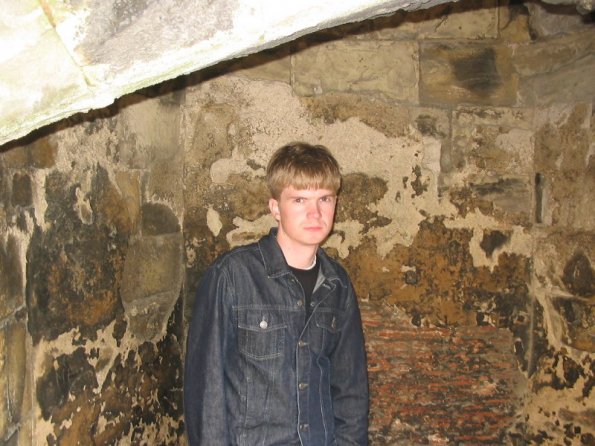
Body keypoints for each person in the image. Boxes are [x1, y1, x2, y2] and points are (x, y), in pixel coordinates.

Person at [184, 142, 369, 445]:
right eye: (299, 199)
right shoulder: (232, 276)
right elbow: (207, 394)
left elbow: (350, 391)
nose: (315, 213)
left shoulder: (337, 284)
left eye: (325, 199)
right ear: (275, 208)